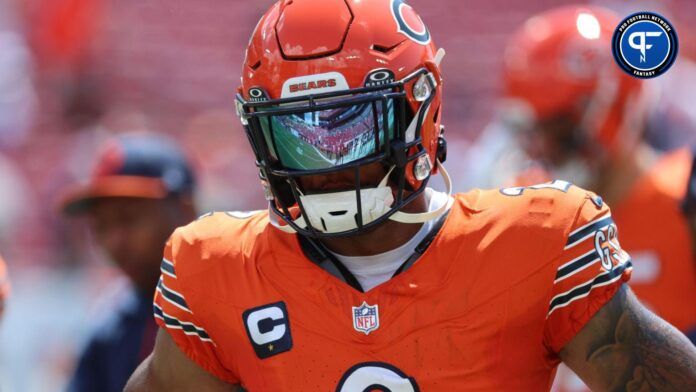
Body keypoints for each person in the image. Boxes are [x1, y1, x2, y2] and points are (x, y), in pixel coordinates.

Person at [126, 1, 696, 391]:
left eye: (347, 125)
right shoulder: (217, 267)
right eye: (296, 134)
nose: (326, 166)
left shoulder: (537, 240)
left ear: (416, 108)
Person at [497, 5, 696, 390]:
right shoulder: (529, 211)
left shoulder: (681, 197)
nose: (544, 149)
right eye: (534, 131)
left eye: (556, 129)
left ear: (609, 105)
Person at [61, 133, 197, 392]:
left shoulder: (243, 299)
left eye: (129, 219)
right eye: (101, 226)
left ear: (185, 211)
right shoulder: (110, 330)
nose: (114, 241)